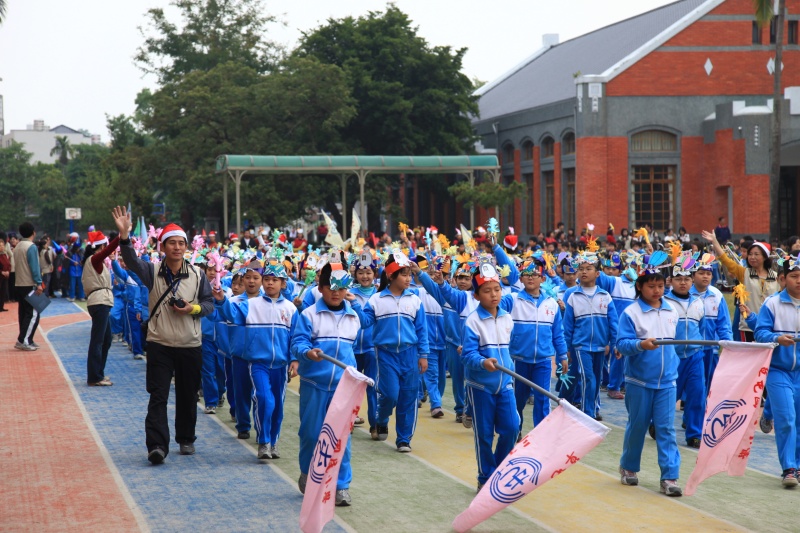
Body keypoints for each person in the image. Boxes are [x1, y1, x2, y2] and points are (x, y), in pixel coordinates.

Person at [114, 206, 215, 464]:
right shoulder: (152, 271)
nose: (177, 247)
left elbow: (209, 304)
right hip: (159, 343)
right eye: (172, 243)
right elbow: (132, 261)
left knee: (187, 394)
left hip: (190, 344)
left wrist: (192, 309)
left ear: (186, 247)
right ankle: (157, 445)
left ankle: (186, 437)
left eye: (181, 243)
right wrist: (124, 236)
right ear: (162, 246)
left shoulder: (198, 274)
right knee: (158, 395)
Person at [292, 261, 361, 507]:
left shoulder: (354, 315)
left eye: (341, 288)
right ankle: (307, 472)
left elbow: (355, 348)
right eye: (330, 287)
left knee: (341, 437)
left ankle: (341, 485)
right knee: (311, 434)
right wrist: (307, 352)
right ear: (320, 288)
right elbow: (298, 343)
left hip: (344, 387)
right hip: (314, 384)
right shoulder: (309, 314)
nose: (336, 293)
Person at [214, 261, 298, 460]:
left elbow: (296, 337)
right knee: (264, 399)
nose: (270, 283)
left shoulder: (291, 309)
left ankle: (273, 442)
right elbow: (232, 314)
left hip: (280, 366)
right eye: (267, 279)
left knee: (277, 407)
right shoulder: (251, 305)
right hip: (258, 364)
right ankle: (264, 441)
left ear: (283, 284)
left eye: (275, 280)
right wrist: (222, 301)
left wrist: (294, 359)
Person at [351, 252, 429, 452]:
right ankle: (382, 419)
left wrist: (423, 355)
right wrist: (354, 304)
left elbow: (422, 329)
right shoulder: (377, 299)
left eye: (410, 275)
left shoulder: (415, 300)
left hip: (410, 353)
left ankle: (404, 439)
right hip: (385, 354)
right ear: (391, 276)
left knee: (408, 397)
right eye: (404, 274)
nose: (408, 279)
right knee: (390, 394)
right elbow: (365, 322)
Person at [617, 260, 682, 496]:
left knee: (666, 429)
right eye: (651, 286)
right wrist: (640, 345)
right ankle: (628, 467)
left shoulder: (672, 310)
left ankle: (670, 477)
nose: (656, 290)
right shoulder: (631, 313)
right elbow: (622, 344)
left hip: (667, 382)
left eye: (660, 286)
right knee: (637, 426)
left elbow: (678, 343)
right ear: (640, 286)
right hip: (639, 382)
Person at [460, 260, 520, 492]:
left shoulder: (507, 318)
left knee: (512, 427)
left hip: (505, 384)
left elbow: (510, 348)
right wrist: (482, 362)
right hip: (481, 386)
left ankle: (497, 470)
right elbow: (468, 355)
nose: (494, 295)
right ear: (476, 295)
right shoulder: (473, 321)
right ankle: (486, 476)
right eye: (487, 291)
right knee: (484, 434)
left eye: (497, 289)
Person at [501, 258, 567, 431]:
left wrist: (563, 356)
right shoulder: (512, 300)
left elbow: (558, 334)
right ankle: (515, 430)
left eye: (535, 274)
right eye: (526, 274)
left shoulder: (551, 303)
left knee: (543, 400)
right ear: (520, 278)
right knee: (517, 399)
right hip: (518, 360)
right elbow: (493, 305)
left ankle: (541, 435)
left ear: (543, 279)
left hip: (543, 361)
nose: (530, 277)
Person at [755, 254, 800, 487]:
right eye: (794, 276)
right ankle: (789, 468)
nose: (799, 281)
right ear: (783, 279)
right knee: (787, 419)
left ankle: (798, 466)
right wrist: (776, 338)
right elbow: (760, 333)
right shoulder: (772, 303)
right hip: (778, 370)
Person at [563, 253, 618, 420]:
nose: (584, 272)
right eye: (581, 269)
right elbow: (568, 326)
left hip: (600, 345)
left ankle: (593, 409)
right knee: (588, 377)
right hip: (581, 345)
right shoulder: (573, 297)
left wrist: (614, 344)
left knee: (597, 378)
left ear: (597, 273)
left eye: (588, 269)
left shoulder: (605, 296)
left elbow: (613, 322)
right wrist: (567, 348)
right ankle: (587, 413)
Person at [702, 230, 780, 341]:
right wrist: (714, 241)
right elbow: (726, 260)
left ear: (765, 257)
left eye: (756, 254)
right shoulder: (744, 273)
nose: (752, 257)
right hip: (747, 326)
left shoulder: (776, 277)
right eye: (750, 254)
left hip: (769, 326)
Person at [662, 257, 706, 448]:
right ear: (670, 280)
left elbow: (701, 328)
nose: (683, 282)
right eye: (678, 279)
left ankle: (694, 433)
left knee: (697, 394)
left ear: (692, 280)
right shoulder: (664, 302)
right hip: (672, 355)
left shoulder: (698, 302)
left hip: (695, 355)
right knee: (670, 394)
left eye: (687, 279)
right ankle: (658, 424)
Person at [82, 231, 120, 386]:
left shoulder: (96, 261)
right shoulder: (94, 259)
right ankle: (94, 377)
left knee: (106, 339)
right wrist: (121, 236)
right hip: (99, 302)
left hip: (101, 301)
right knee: (98, 340)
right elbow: (108, 250)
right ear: (102, 246)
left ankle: (99, 373)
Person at [350, 252, 379, 437]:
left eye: (368, 272)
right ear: (355, 274)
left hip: (372, 348)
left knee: (372, 387)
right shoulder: (349, 294)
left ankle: (374, 425)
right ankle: (348, 421)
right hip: (352, 348)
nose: (365, 276)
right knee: (351, 387)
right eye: (361, 272)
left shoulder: (379, 295)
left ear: (374, 274)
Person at [13, 222, 43, 351]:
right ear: (33, 232)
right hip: (29, 284)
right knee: (33, 313)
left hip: (19, 284)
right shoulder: (31, 247)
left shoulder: (18, 246)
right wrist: (39, 283)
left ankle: (28, 339)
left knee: (23, 313)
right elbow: (34, 267)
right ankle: (23, 340)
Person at [0, 233, 10, 311]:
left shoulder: (4, 254)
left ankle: (1, 306)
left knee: (3, 291)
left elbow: (8, 264)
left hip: (5, 276)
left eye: (3, 245)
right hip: (1, 275)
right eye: (0, 246)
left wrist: (8, 271)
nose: (2, 247)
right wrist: (2, 272)